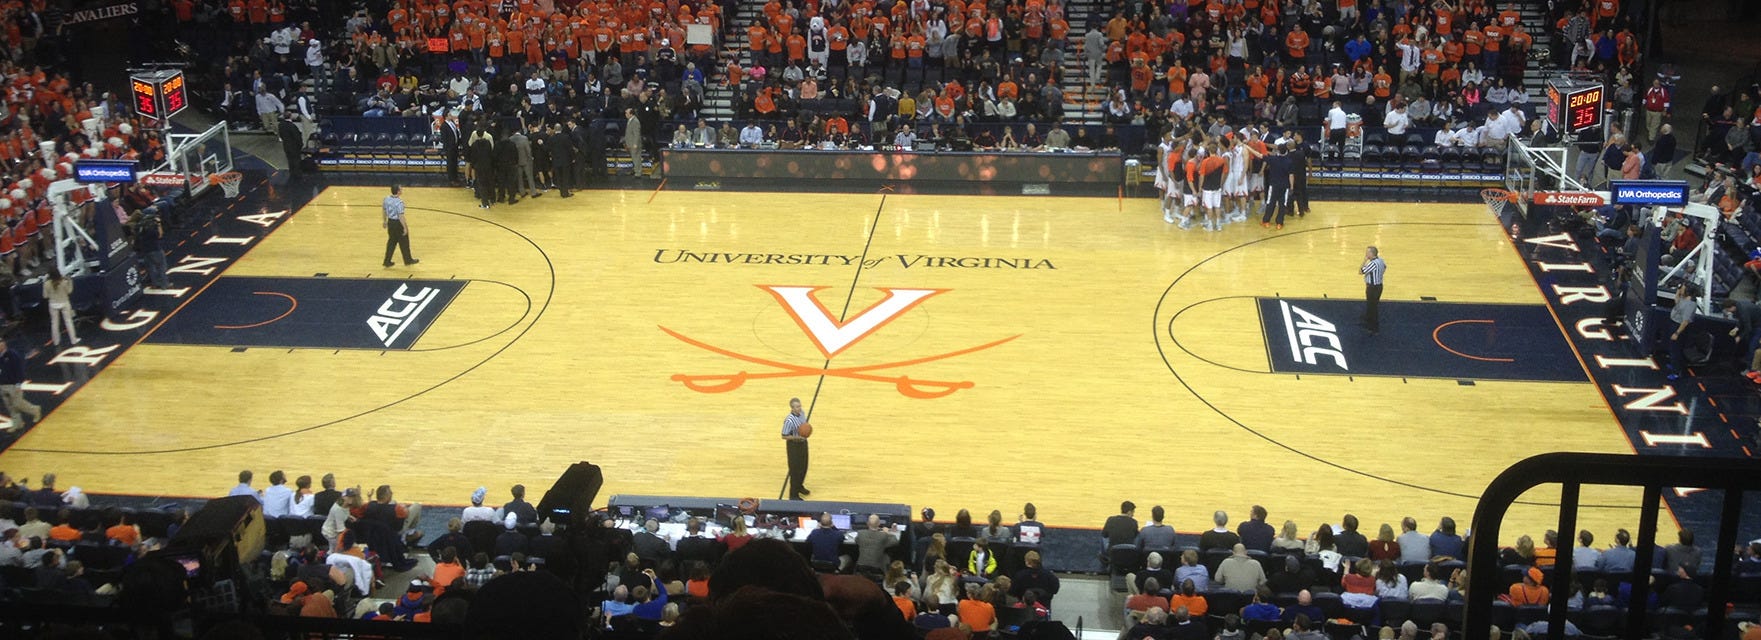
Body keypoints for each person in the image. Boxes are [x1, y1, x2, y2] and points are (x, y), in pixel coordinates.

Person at [0, 338, 41, 431]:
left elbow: (19, 369)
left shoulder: (12, 354)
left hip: (13, 384)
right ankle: (17, 424)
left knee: (17, 404)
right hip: (2, 385)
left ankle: (35, 410)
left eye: (1, 343)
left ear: (4, 344)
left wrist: (19, 383)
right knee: (10, 406)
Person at [1666, 283, 1700, 381]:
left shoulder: (1690, 304)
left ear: (1687, 291)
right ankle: (1673, 364)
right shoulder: (1684, 298)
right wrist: (1678, 291)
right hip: (1674, 323)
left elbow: (1685, 322)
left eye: (1682, 289)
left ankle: (1677, 372)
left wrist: (1677, 333)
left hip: (1679, 327)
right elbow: (1677, 302)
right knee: (1672, 347)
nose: (1681, 290)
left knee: (1676, 350)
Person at [381, 185, 418, 268]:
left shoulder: (386, 199)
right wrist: (405, 227)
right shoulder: (399, 202)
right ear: (398, 191)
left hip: (391, 222)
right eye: (401, 189)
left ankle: (387, 261)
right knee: (404, 242)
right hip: (398, 223)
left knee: (391, 242)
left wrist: (384, 221)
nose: (402, 190)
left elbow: (384, 210)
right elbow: (401, 216)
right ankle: (407, 260)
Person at [781, 397, 811, 499]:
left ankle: (799, 486)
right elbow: (784, 436)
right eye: (796, 407)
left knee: (804, 467)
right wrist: (797, 437)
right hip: (793, 446)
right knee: (795, 470)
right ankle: (793, 495)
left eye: (799, 406)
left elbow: (804, 426)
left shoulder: (802, 413)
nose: (799, 408)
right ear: (792, 408)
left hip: (803, 443)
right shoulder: (789, 420)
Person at [44, 270, 76, 346]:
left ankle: (56, 342)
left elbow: (45, 296)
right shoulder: (64, 282)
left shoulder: (46, 284)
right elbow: (69, 291)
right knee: (68, 321)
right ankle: (73, 340)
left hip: (53, 304)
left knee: (54, 323)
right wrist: (70, 282)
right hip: (64, 303)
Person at [1361, 247, 1387, 334]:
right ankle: (1368, 320)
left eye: (1367, 253)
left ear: (1372, 254)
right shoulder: (1381, 260)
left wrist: (1364, 261)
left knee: (1372, 307)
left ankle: (1374, 328)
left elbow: (1361, 271)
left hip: (1373, 288)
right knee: (1372, 305)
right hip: (1379, 286)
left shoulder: (1373, 264)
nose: (1366, 254)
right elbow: (1385, 267)